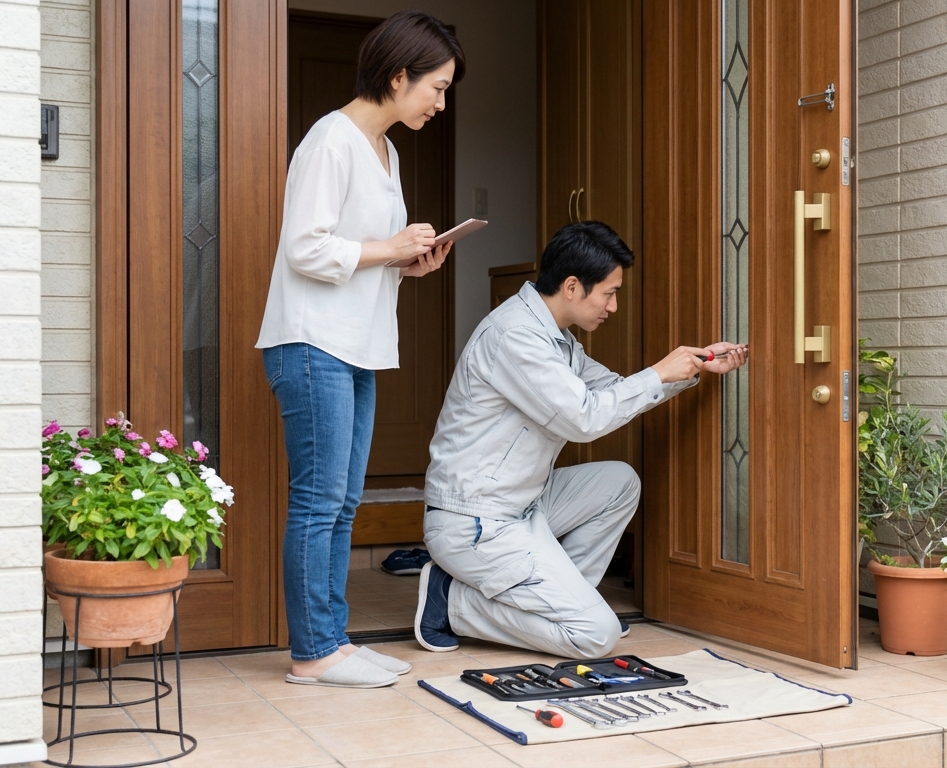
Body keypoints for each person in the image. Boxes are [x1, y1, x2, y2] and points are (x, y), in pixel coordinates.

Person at [415, 221, 748, 659]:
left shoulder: (558, 340)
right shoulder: (516, 336)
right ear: (572, 286)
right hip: (476, 522)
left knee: (619, 482)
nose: (613, 306)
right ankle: (451, 601)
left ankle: (566, 602)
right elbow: (585, 418)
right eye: (609, 293)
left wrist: (693, 368)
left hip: (522, 506)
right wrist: (659, 373)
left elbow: (611, 390)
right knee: (594, 636)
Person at [256, 10, 464, 689]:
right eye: (435, 87)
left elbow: (358, 253)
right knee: (320, 501)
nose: (440, 102)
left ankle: (334, 642)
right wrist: (392, 247)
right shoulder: (330, 141)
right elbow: (305, 248)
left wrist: (409, 262)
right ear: (397, 76)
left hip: (356, 345)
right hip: (312, 342)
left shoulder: (385, 151)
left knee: (344, 503)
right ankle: (314, 650)